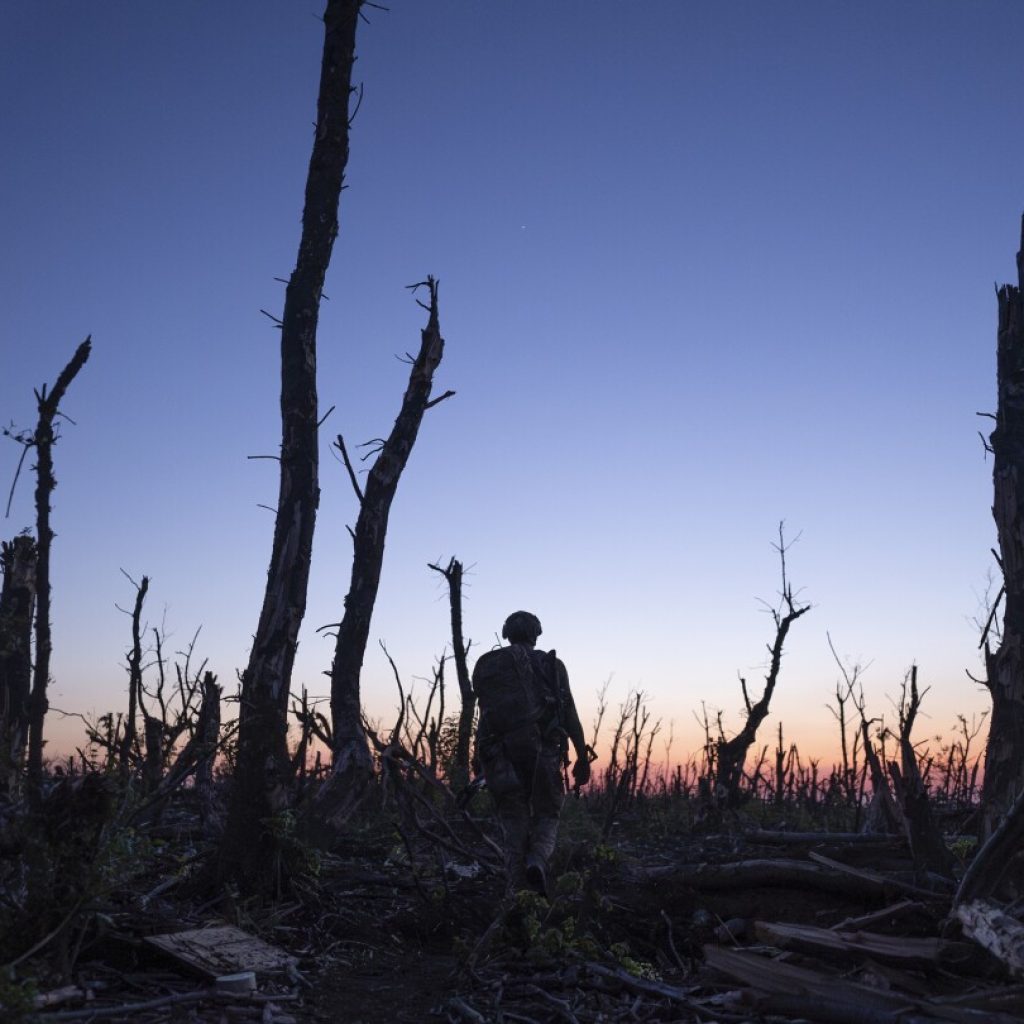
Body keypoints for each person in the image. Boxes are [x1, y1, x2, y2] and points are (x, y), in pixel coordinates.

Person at [472, 610, 591, 896]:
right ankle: (537, 859)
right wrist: (582, 756)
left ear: (507, 633)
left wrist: (479, 759)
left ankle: (516, 888)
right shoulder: (552, 665)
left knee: (512, 817)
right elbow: (569, 712)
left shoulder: (487, 665)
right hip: (542, 752)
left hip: (499, 754)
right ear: (536, 634)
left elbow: (485, 716)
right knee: (548, 813)